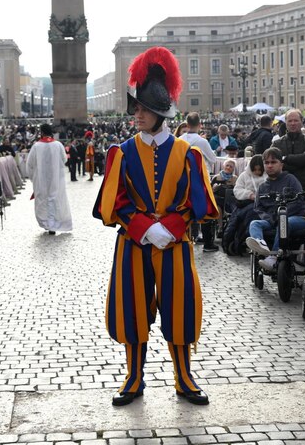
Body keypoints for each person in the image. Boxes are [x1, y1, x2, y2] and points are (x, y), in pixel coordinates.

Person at [93, 46, 217, 407]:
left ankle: (184, 377)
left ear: (161, 115)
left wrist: (173, 227)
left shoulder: (187, 154)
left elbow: (200, 203)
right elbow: (112, 203)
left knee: (180, 309)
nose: (137, 115)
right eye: (136, 109)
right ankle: (133, 376)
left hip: (175, 245)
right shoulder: (122, 152)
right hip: (134, 243)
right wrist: (145, 227)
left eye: (144, 110)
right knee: (132, 310)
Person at [244, 147, 305, 271]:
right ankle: (261, 245)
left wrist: (281, 216)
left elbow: (298, 201)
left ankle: (273, 257)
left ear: (281, 164)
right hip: (272, 221)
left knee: (285, 222)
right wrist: (271, 218)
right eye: (266, 163)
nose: (269, 166)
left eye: (273, 162)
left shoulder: (291, 180)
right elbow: (258, 208)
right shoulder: (263, 186)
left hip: (297, 218)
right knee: (254, 224)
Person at [27, 124, 73, 234]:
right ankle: (53, 224)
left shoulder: (36, 146)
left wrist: (32, 177)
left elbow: (30, 164)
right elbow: (64, 159)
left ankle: (47, 223)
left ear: (42, 133)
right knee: (54, 199)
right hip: (56, 178)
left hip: (41, 178)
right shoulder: (58, 145)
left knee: (43, 200)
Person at [223, 155, 266, 256]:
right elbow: (237, 190)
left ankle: (243, 238)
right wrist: (249, 195)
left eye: (259, 170)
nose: (257, 172)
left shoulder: (267, 176)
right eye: (255, 170)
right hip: (246, 203)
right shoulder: (244, 176)